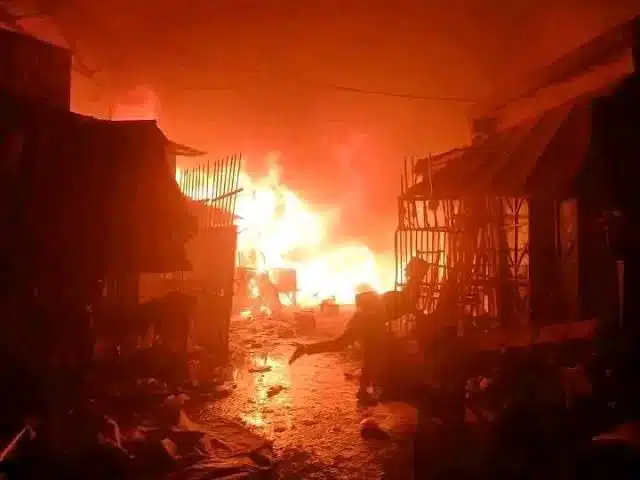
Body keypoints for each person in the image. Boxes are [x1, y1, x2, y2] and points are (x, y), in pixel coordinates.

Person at [289, 290, 388, 404]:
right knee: (372, 357)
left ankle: (365, 391)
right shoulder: (363, 318)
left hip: (373, 344)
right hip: (372, 344)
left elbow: (340, 343)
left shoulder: (364, 316)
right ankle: (366, 391)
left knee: (371, 358)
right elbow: (340, 343)